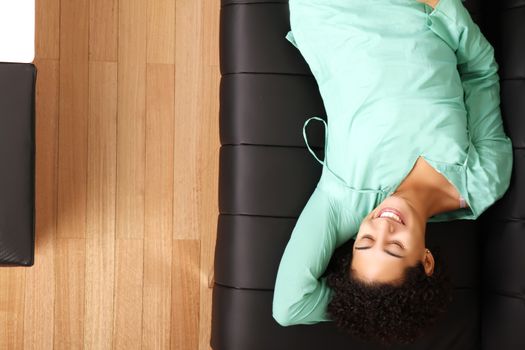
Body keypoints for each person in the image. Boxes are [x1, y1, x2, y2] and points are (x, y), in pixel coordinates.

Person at [273, 0, 513, 346]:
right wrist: (439, 5)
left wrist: (366, 305)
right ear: (426, 261)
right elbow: (480, 71)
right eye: (396, 248)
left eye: (365, 242)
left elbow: (289, 307)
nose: (382, 227)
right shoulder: (484, 180)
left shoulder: (342, 202)